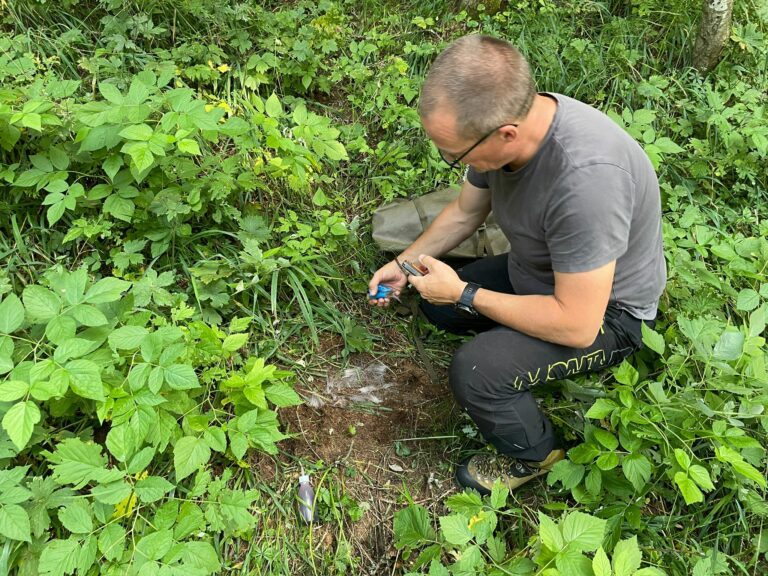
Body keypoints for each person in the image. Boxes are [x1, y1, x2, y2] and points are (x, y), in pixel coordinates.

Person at [367, 34, 666, 494]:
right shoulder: (511, 120)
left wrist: (466, 293)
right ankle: (514, 335)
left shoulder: (587, 186)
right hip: (540, 270)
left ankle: (536, 456)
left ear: (506, 132)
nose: (450, 160)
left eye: (454, 154)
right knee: (436, 304)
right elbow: (467, 211)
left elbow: (578, 326)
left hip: (607, 314)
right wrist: (405, 263)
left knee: (476, 371)